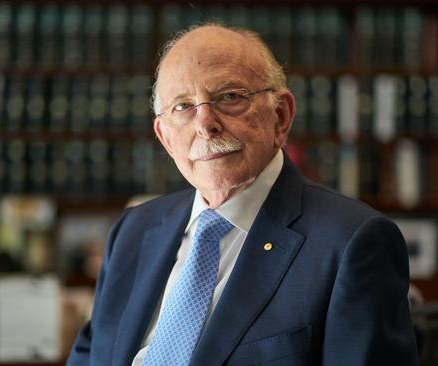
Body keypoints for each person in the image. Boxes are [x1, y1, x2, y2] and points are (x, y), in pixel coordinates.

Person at [67, 23, 418, 366]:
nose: (205, 124)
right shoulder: (133, 231)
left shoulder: (352, 242)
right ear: (165, 138)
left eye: (230, 97)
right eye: (183, 106)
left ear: (281, 116)